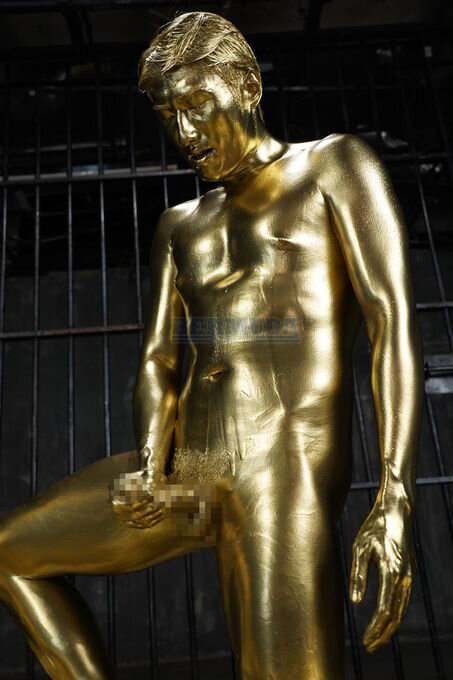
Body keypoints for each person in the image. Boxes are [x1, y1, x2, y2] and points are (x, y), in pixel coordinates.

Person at [0, 11, 423, 680]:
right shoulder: (179, 226)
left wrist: (394, 494)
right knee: (11, 551)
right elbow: (159, 358)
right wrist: (149, 461)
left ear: (247, 86)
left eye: (197, 104)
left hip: (278, 465)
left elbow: (390, 321)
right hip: (188, 468)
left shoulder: (332, 165)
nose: (186, 132)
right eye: (169, 116)